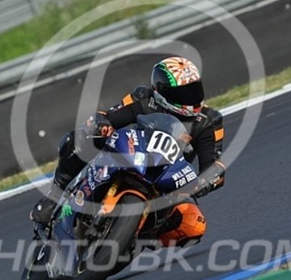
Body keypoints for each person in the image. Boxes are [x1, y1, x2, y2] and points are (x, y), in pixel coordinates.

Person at [31, 56, 226, 247]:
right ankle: (54, 195)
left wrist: (209, 180)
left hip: (169, 180)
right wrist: (101, 124)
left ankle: (135, 239)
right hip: (131, 155)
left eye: (194, 90)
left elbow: (212, 164)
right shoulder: (143, 98)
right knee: (76, 140)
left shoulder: (210, 121)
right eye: (183, 93)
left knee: (194, 225)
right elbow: (109, 116)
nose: (192, 99)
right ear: (162, 92)